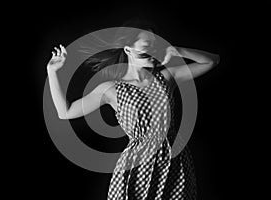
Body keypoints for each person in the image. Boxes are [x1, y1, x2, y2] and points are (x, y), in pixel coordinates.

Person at [47, 29, 220, 199]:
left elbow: (212, 61)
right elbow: (65, 111)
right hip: (136, 165)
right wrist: (52, 72)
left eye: (156, 45)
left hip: (173, 161)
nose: (153, 51)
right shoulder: (111, 89)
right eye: (147, 46)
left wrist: (178, 50)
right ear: (128, 49)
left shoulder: (166, 78)